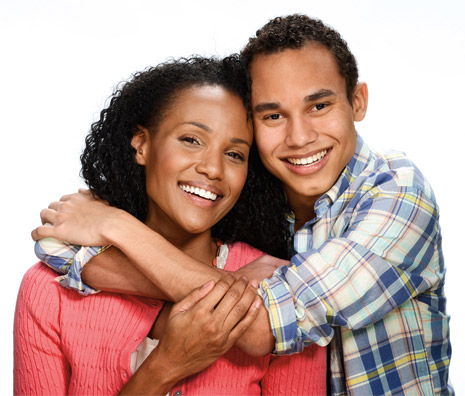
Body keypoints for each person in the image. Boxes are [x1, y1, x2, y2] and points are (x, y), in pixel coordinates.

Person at [31, 14, 453, 395]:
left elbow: (262, 323)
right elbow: (54, 247)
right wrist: (227, 283)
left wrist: (118, 228)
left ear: (357, 101)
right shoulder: (267, 200)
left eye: (319, 105)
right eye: (273, 116)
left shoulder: (396, 193)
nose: (300, 136)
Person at [15, 56, 327, 395]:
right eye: (191, 139)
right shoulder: (50, 290)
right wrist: (166, 366)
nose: (213, 169)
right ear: (142, 144)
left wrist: (116, 225)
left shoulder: (285, 293)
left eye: (234, 154)